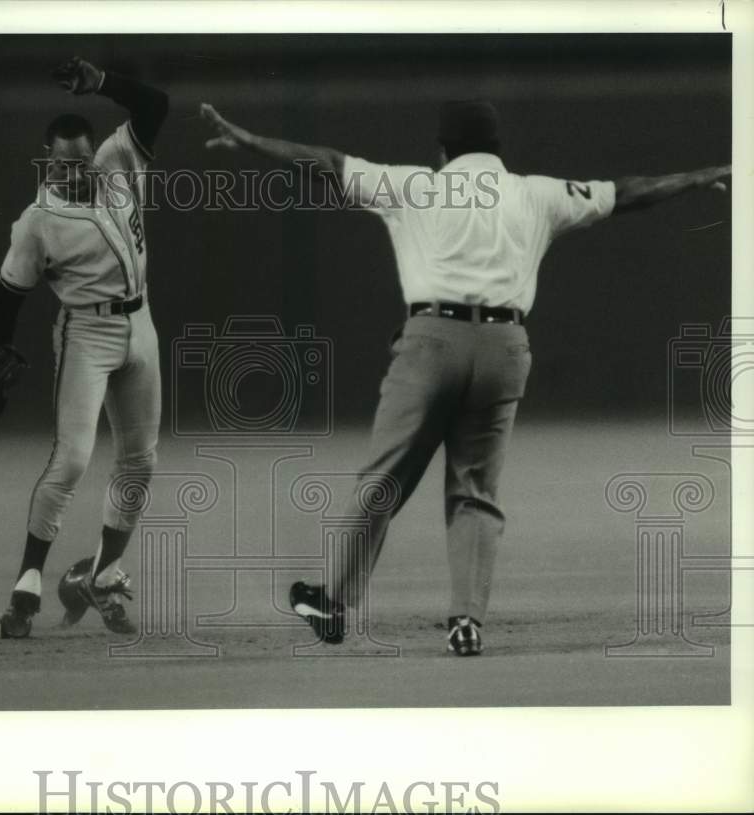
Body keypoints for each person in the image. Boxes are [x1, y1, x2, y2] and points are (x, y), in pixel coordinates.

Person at [200, 99, 731, 654]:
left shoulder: (415, 186)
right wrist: (696, 179)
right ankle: (466, 623)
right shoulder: (536, 193)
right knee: (476, 492)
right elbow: (626, 193)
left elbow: (327, 161)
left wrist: (251, 139)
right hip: (505, 347)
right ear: (497, 150)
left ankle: (332, 603)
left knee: (380, 483)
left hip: (429, 343)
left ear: (444, 150)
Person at [0, 57, 169, 638]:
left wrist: (104, 82)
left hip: (141, 326)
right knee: (71, 461)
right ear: (48, 160)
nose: (74, 169)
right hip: (86, 333)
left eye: (81, 159)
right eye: (62, 162)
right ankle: (26, 586)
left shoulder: (117, 161)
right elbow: (7, 296)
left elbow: (155, 104)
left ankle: (104, 571)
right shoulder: (38, 220)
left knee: (141, 461)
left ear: (95, 152)